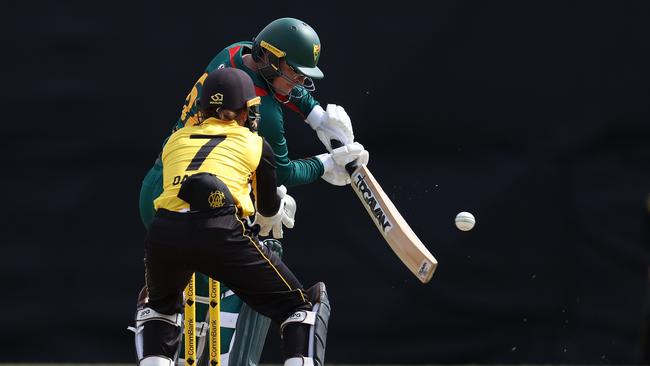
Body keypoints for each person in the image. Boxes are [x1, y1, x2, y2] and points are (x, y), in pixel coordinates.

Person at [136, 17, 368, 365]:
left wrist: (315, 115)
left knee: (164, 306)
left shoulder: (232, 54)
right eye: (296, 74)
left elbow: (274, 83)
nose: (300, 83)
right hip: (214, 214)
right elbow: (282, 173)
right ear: (270, 59)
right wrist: (327, 165)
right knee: (287, 301)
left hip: (162, 195)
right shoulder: (262, 123)